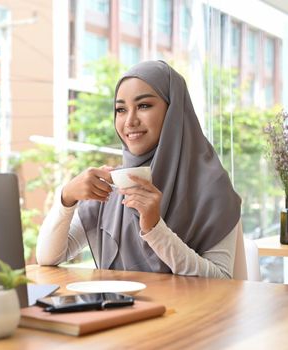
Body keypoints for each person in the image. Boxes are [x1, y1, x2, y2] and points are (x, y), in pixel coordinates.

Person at [36, 60, 242, 279]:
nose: (130, 121)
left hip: (191, 312)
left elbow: (221, 280)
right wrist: (66, 198)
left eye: (144, 106)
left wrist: (155, 228)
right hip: (120, 311)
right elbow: (48, 257)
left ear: (174, 111)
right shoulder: (114, 185)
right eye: (121, 109)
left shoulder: (211, 185)